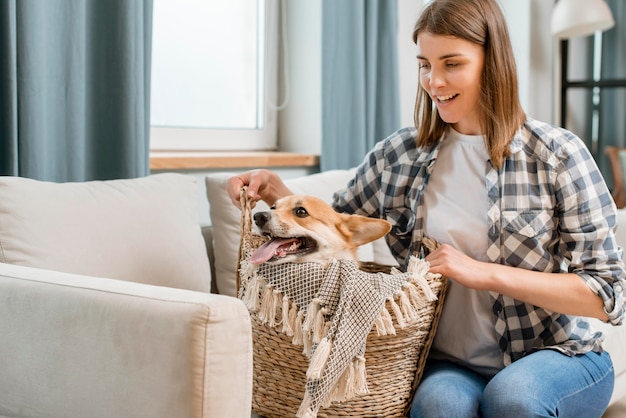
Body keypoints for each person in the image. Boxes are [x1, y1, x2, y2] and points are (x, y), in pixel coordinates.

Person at [227, 0, 626, 416]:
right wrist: (275, 194)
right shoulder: (397, 156)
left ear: (493, 62)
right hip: (452, 363)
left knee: (512, 399)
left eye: (451, 63)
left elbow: (607, 294)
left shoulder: (557, 155)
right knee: (438, 406)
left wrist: (481, 272)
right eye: (424, 64)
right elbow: (332, 232)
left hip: (558, 354)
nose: (434, 81)